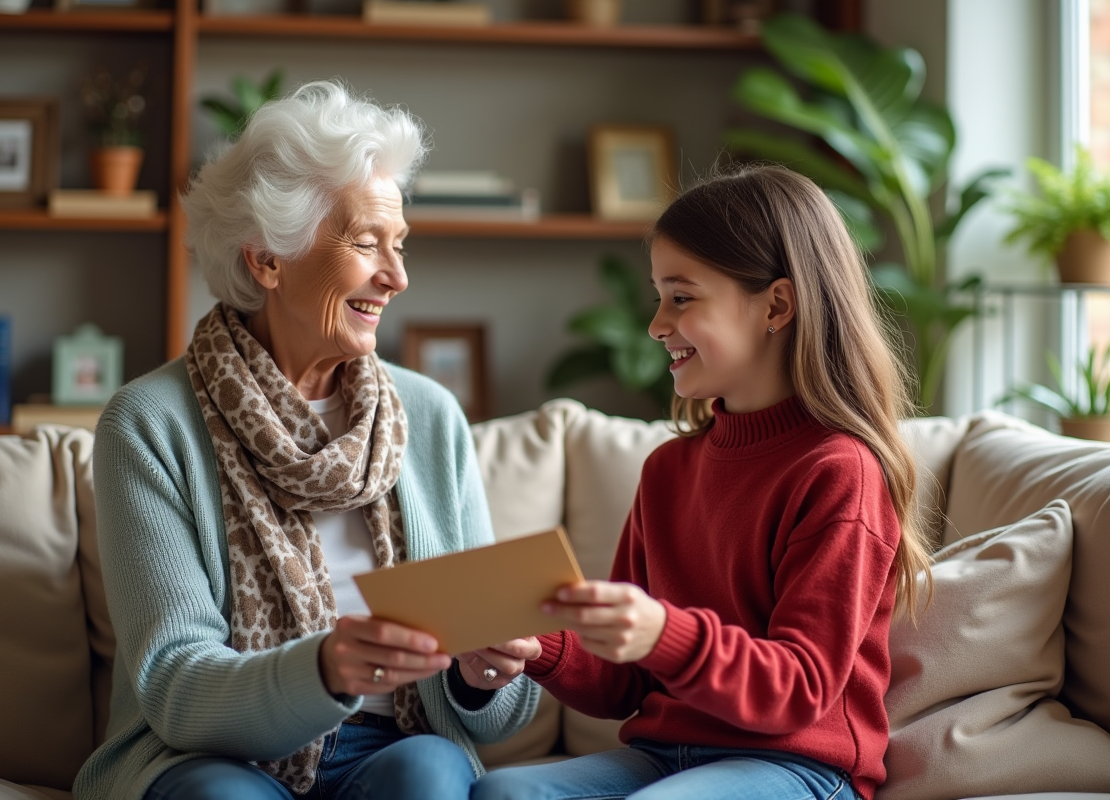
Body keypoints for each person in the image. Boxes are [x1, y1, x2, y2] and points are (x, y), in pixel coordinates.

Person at [73, 80, 540, 800]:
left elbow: (493, 718)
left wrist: (486, 672)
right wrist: (325, 669)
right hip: (214, 757)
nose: (397, 276)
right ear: (267, 259)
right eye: (366, 244)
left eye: (401, 245)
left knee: (433, 773)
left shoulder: (431, 415)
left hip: (395, 745)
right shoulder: (149, 423)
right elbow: (174, 683)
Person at [473, 165, 934, 800]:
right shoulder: (668, 471)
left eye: (682, 297)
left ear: (776, 305)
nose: (656, 325)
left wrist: (665, 631)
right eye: (659, 296)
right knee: (502, 794)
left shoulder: (840, 472)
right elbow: (623, 682)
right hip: (665, 756)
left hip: (798, 769)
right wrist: (540, 646)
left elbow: (798, 690)